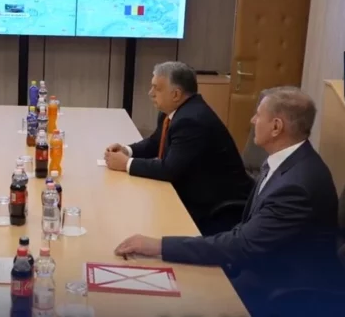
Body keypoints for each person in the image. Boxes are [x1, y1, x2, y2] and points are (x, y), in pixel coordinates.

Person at [113, 87, 344, 315]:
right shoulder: (288, 161)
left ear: (276, 127)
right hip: (259, 267)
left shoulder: (295, 187)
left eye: (258, 115)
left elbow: (242, 245)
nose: (252, 120)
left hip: (281, 291)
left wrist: (158, 246)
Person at [104, 61, 252, 234]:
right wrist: (127, 150)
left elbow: (169, 169)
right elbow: (155, 143)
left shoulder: (191, 121)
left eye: (156, 88)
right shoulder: (175, 112)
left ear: (176, 94)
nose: (150, 93)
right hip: (194, 193)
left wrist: (126, 164)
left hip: (217, 209)